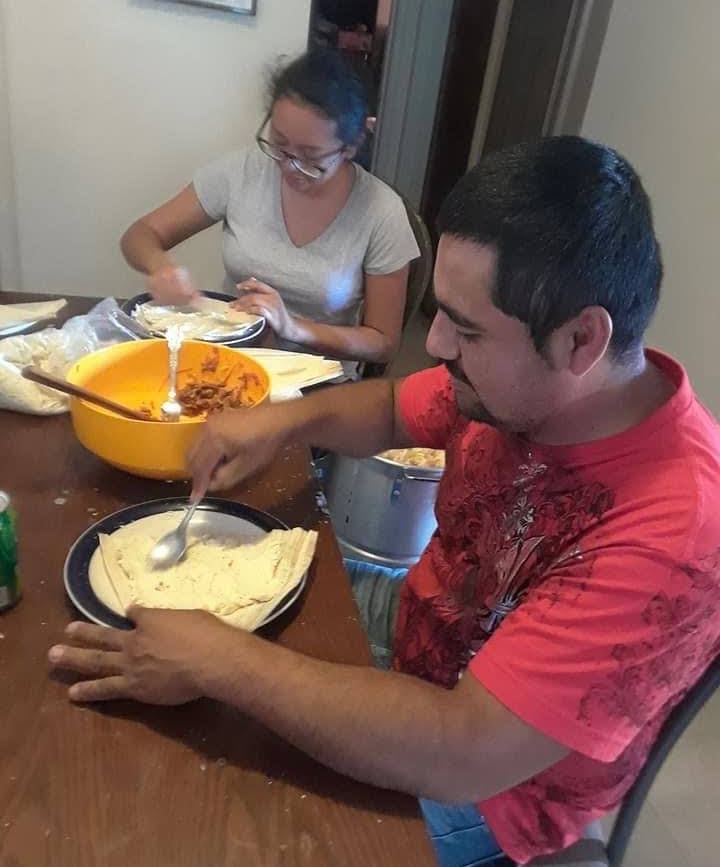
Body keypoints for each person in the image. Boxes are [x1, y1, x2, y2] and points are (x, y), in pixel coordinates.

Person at [52, 137, 720, 866]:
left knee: (209, 824)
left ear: (581, 339)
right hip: (416, 646)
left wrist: (217, 661)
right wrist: (283, 418)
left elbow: (465, 751)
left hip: (492, 790)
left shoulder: (677, 527)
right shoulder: (515, 388)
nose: (432, 342)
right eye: (441, 313)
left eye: (465, 329)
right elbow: (393, 411)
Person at [120, 50, 419, 368]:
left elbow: (383, 342)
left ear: (351, 146)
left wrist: (292, 328)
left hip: (316, 377)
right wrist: (161, 266)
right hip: (231, 357)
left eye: (310, 157)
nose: (289, 166)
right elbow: (139, 234)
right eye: (279, 143)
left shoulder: (382, 213)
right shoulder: (242, 172)